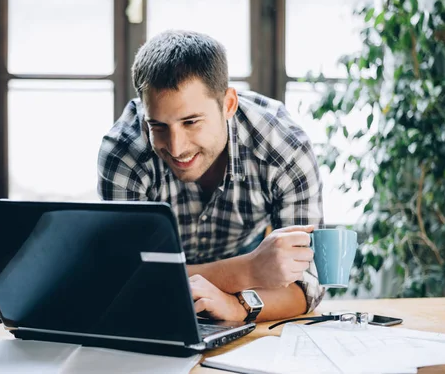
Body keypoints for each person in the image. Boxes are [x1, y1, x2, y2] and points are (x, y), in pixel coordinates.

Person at [97, 30, 324, 322]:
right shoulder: (123, 153)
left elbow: (307, 287)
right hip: (224, 276)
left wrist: (236, 306)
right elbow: (127, 280)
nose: (176, 147)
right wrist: (249, 269)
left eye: (191, 122)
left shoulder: (284, 147)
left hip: (247, 274)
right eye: (158, 126)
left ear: (228, 104)